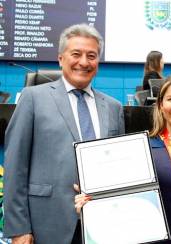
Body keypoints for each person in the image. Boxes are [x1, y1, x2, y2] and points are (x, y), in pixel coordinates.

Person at [4, 23, 125, 244]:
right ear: (61, 58)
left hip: (101, 225)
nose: (84, 62)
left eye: (92, 55)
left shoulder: (113, 107)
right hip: (45, 224)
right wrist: (19, 229)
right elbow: (15, 166)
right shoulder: (33, 99)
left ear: (98, 62)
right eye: (76, 54)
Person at [75, 74, 171, 243]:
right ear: (160, 105)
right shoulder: (139, 148)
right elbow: (121, 195)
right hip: (148, 237)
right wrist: (90, 203)